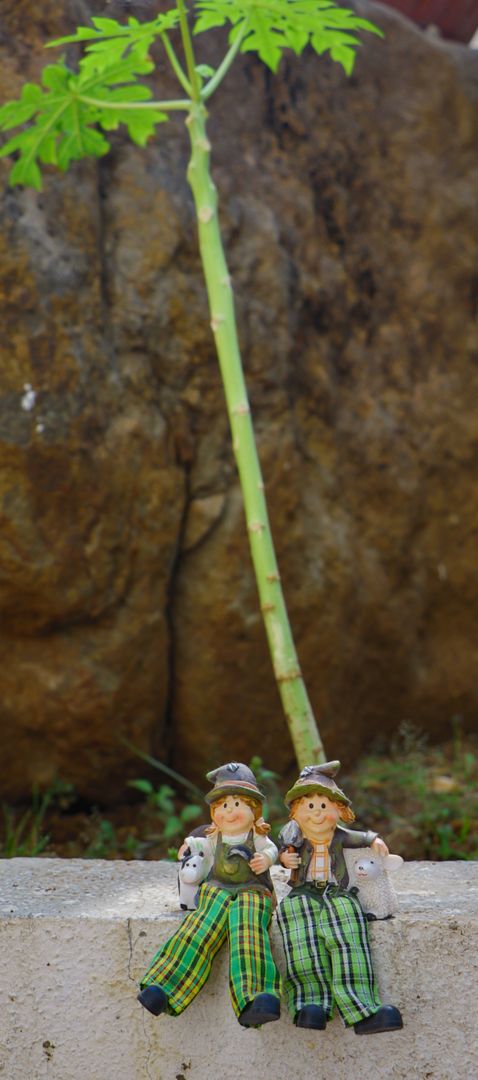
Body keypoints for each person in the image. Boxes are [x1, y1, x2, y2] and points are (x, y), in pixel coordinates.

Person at [138, 762, 281, 1027]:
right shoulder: (214, 837)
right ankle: (164, 986)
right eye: (223, 806)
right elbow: (197, 844)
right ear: (214, 812)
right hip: (217, 889)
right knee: (200, 926)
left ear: (254, 809)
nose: (230, 812)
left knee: (248, 928)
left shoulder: (257, 836)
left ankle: (256, 997)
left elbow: (272, 850)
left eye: (238, 804)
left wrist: (266, 859)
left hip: (253, 890)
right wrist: (187, 847)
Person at [276, 761, 403, 1035]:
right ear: (295, 813)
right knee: (300, 934)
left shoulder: (341, 837)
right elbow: (280, 856)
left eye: (324, 807)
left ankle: (361, 1008)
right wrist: (284, 858)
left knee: (348, 930)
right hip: (304, 891)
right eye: (309, 807)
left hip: (336, 891)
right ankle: (310, 1004)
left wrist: (375, 841)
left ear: (340, 811)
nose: (317, 815)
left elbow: (362, 837)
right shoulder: (295, 839)